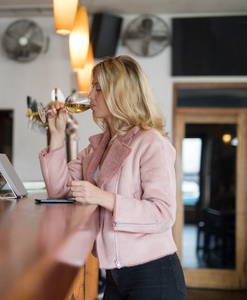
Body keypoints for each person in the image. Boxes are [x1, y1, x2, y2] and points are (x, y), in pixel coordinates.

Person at [39, 56, 186, 299]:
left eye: (98, 88)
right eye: (92, 87)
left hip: (154, 274)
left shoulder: (151, 143)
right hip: (115, 275)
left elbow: (163, 214)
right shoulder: (99, 146)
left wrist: (102, 197)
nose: (90, 95)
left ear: (121, 93)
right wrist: (56, 135)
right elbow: (58, 190)